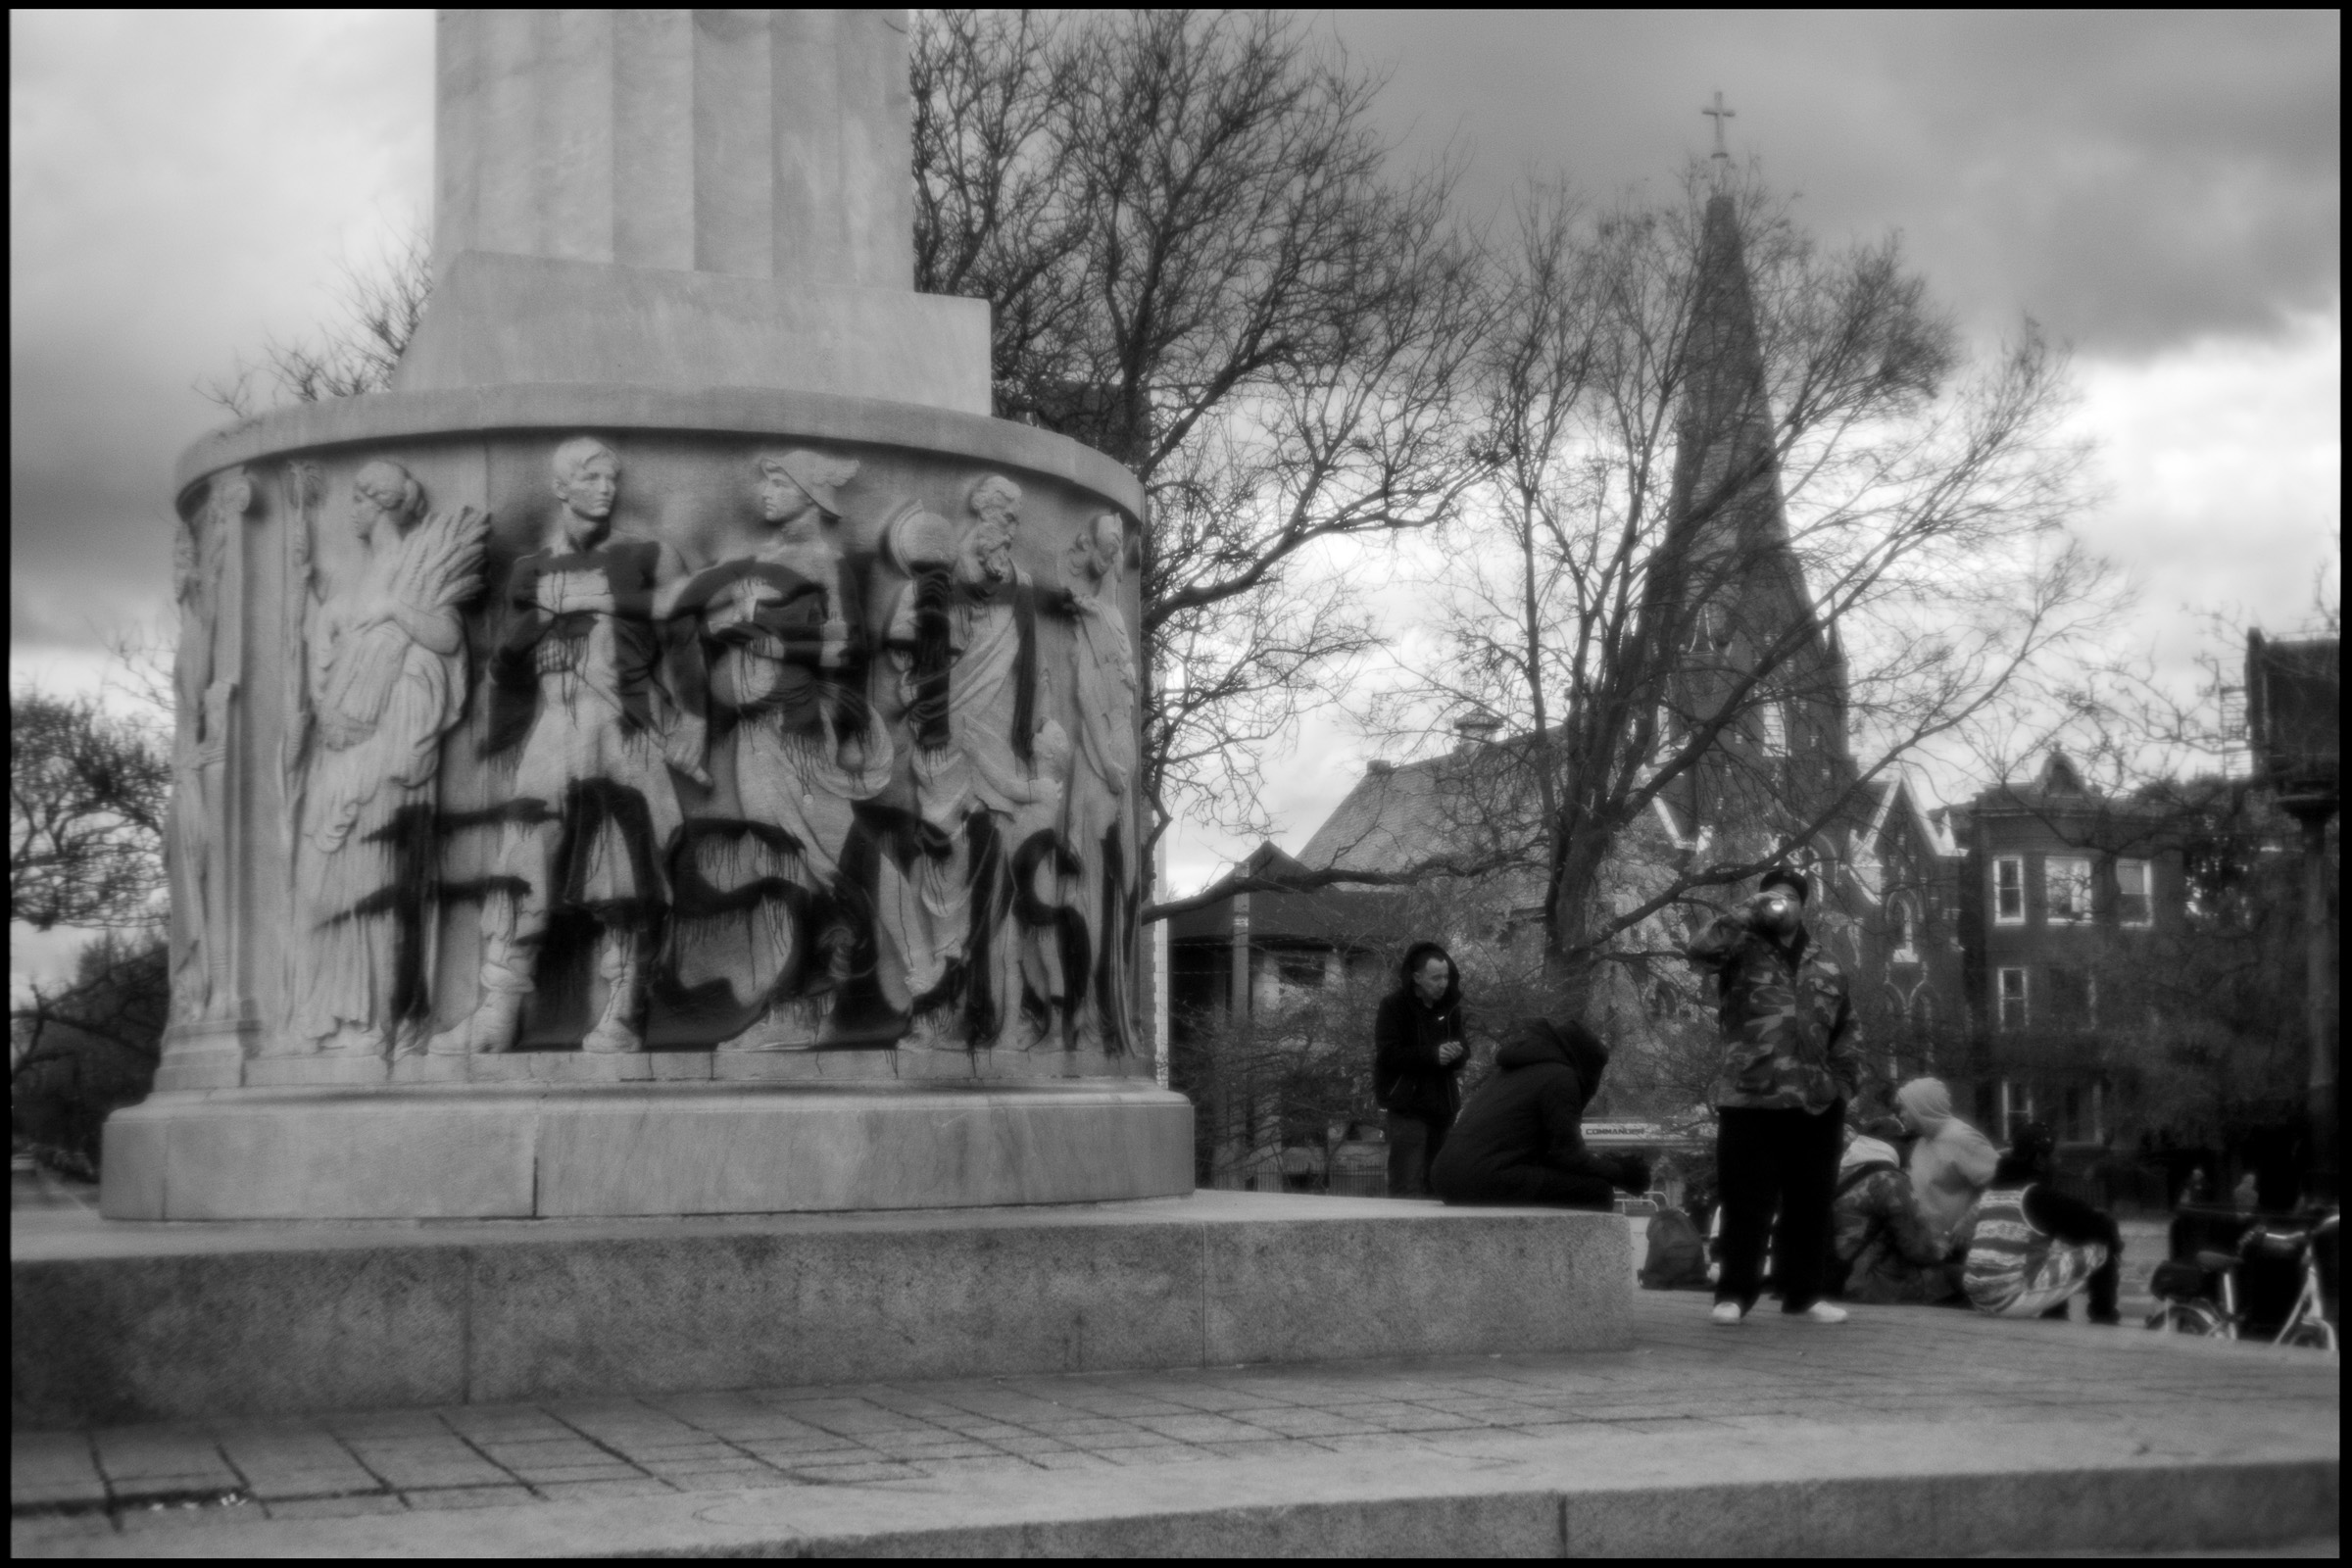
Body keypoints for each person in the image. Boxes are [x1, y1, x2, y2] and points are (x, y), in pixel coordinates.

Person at [1685, 867, 1862, 1325]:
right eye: (1773, 896)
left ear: (1805, 906)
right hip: (1749, 1096)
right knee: (1747, 1201)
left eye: (1790, 897)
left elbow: (1847, 1030)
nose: (1781, 904)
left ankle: (1803, 1293)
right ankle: (1734, 1294)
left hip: (1815, 1101)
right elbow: (1699, 951)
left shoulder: (1827, 963)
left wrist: (1843, 1086)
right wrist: (1749, 908)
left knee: (1810, 1202)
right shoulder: (1738, 948)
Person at [1430, 1018, 1648, 1210]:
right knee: (1596, 1193)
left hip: (1444, 1176)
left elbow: (1552, 1155)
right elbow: (1568, 1155)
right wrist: (1621, 1173)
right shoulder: (1561, 1078)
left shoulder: (1514, 1070)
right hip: (1482, 1177)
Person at [1962, 1121, 2123, 1324]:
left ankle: (2055, 1316)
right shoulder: (2035, 1196)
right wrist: (2115, 1243)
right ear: (2039, 1160)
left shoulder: (1991, 1193)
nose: (2059, 1161)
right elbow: (2099, 1225)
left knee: (2053, 1249)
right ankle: (2104, 1317)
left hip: (1979, 1298)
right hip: (2008, 1298)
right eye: (2054, 1155)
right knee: (2102, 1247)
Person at [1373, 942, 1469, 1197]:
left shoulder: (1450, 1009)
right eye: (1436, 977)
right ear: (1417, 977)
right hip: (1408, 1110)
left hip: (1444, 1109)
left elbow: (1464, 1051)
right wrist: (1432, 1055)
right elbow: (1388, 1054)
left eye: (1446, 977)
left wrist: (1456, 1054)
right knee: (1407, 1187)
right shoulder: (1393, 1006)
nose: (1443, 983)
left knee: (1440, 1187)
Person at [1829, 1121, 1961, 1304]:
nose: (1909, 1150)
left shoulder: (1841, 1172)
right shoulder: (1890, 1180)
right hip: (1871, 1284)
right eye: (1905, 1142)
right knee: (1962, 1277)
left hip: (1831, 1277)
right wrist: (1945, 1247)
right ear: (1890, 1143)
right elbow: (1919, 1249)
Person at [1895, 1077, 1999, 1250]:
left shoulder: (1961, 1138)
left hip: (1959, 1251)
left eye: (1905, 1108)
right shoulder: (1923, 1141)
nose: (1901, 1114)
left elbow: (2001, 1184)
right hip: (1929, 1248)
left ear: (1921, 1107)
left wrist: (1969, 1223)